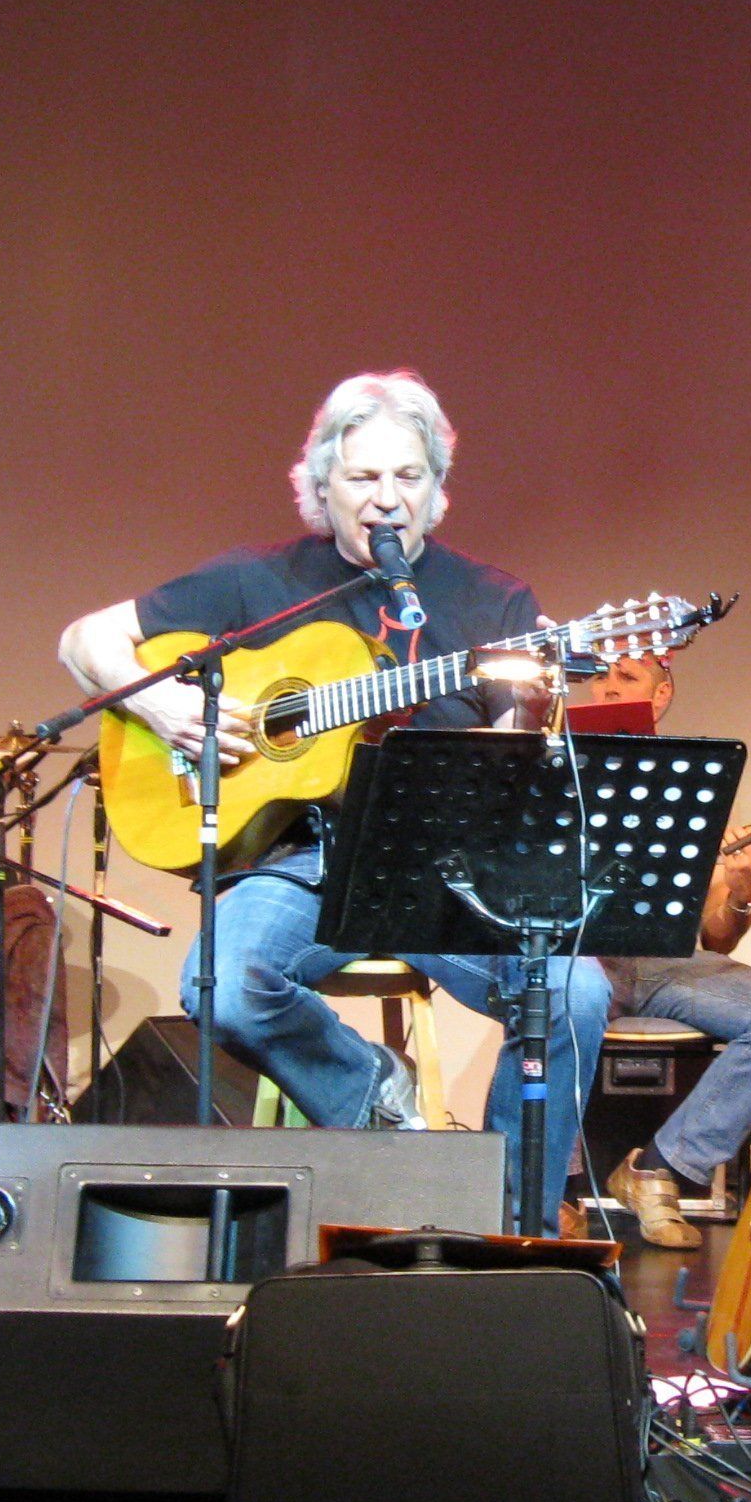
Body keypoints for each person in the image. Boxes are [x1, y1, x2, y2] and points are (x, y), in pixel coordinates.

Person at [54, 372, 611, 1221]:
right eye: (363, 478)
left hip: (440, 864)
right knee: (223, 985)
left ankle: (507, 1225)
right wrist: (164, 707)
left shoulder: (494, 600)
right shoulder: (255, 580)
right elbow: (84, 640)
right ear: (323, 488)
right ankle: (377, 1102)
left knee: (576, 993)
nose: (388, 498)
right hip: (301, 860)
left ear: (437, 489)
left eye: (409, 477)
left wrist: (529, 712)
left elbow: (509, 768)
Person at [570, 655, 751, 1249]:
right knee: (563, 997)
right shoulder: (558, 767)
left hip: (660, 961)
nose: (608, 688)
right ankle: (560, 1187)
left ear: (661, 696)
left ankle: (659, 1169)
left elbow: (718, 937)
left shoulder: (690, 787)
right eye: (600, 675)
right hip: (579, 955)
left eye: (627, 678)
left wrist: (745, 888)